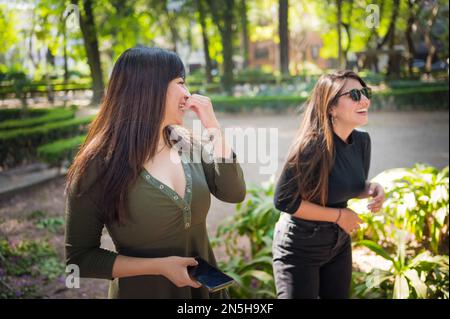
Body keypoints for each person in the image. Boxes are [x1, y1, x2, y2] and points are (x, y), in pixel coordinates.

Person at [65, 46, 246, 299]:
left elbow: (233, 193)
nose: (188, 93)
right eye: (181, 83)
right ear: (148, 89)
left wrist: (213, 127)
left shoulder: (187, 144)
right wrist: (160, 267)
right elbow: (80, 258)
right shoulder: (97, 165)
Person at [272, 70, 385, 299]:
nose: (365, 100)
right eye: (354, 94)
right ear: (331, 107)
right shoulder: (310, 147)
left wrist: (371, 188)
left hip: (338, 243)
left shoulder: (362, 140)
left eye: (365, 92)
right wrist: (339, 215)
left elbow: (344, 184)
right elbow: (284, 200)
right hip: (299, 245)